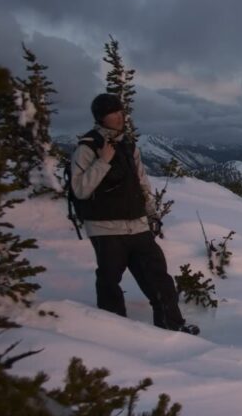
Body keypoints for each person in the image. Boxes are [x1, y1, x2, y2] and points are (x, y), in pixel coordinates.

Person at [70, 93, 199, 335]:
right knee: (109, 282)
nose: (120, 117)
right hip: (105, 228)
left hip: (137, 224)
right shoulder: (87, 148)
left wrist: (151, 214)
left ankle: (172, 326)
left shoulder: (129, 146)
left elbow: (142, 183)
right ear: (101, 117)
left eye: (122, 112)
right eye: (114, 112)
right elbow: (80, 190)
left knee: (159, 278)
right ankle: (115, 333)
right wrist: (103, 162)